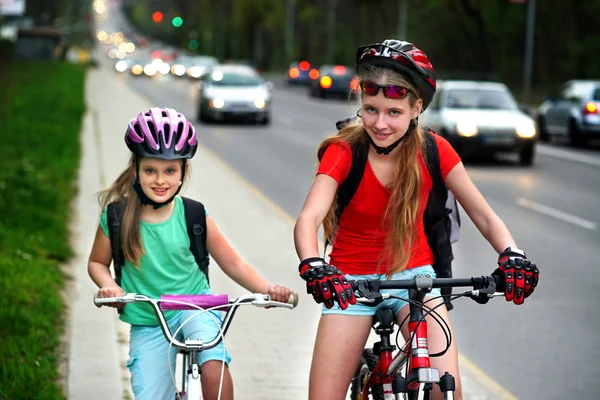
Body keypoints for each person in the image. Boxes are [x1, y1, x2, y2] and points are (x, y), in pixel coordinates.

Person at [293, 40, 539, 400]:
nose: (379, 123)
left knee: (444, 391)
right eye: (370, 109)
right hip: (350, 284)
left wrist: (512, 254)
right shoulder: (345, 150)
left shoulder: (435, 150)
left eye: (393, 112)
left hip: (417, 280)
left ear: (416, 107)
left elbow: (484, 216)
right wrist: (314, 264)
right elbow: (308, 218)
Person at [88, 107, 294, 400]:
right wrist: (109, 285)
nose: (161, 181)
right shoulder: (117, 217)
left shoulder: (194, 215)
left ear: (184, 171)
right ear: (135, 170)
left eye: (170, 170)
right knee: (150, 394)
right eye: (151, 170)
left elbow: (233, 263)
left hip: (196, 306)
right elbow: (97, 262)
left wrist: (268, 291)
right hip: (148, 318)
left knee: (213, 368)